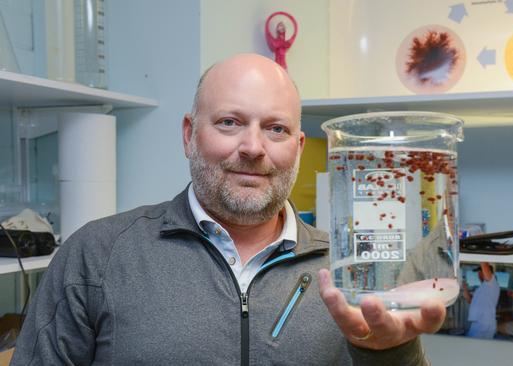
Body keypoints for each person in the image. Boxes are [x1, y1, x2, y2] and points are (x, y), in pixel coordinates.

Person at [11, 54, 445, 365]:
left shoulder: (354, 272)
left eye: (275, 129)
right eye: (229, 122)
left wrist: (390, 354)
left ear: (297, 148)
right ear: (188, 134)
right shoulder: (97, 255)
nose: (253, 148)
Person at [462, 262, 500, 339]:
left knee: (474, 348)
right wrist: (465, 289)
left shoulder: (492, 282)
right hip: (478, 322)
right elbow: (470, 301)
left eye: (480, 272)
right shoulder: (483, 287)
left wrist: (480, 252)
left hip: (484, 323)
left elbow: (484, 263)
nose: (478, 275)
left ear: (488, 272)